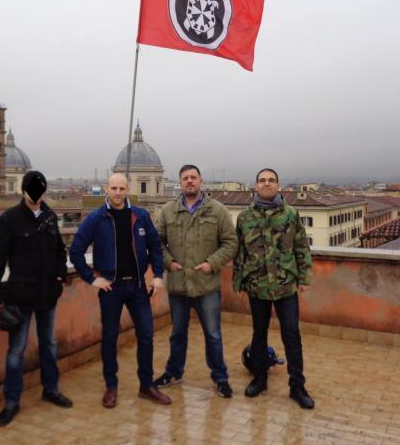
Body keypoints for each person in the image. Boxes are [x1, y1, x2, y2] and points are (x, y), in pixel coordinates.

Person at [69, 173, 171, 408]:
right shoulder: (96, 218)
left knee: (146, 336)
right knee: (109, 338)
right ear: (107, 188)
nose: (117, 192)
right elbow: (76, 251)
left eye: (121, 188)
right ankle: (111, 387)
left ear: (127, 190)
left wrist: (157, 275)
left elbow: (155, 246)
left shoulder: (141, 216)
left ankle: (146, 385)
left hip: (136, 286)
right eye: (113, 188)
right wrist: (91, 279)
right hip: (111, 288)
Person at [0, 171, 73, 426]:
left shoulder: (50, 216)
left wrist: (60, 276)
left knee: (49, 343)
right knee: (16, 350)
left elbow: (59, 250)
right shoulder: (9, 220)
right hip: (20, 296)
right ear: (23, 191)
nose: (36, 197)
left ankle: (51, 389)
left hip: (47, 293)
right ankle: (12, 401)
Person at [233, 168, 315, 409]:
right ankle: (260, 379)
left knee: (291, 335)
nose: (266, 184)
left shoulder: (290, 214)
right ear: (256, 185)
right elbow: (240, 252)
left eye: (271, 180)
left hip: (285, 286)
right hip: (256, 285)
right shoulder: (245, 217)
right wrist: (238, 282)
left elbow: (301, 246)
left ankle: (297, 387)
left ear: (278, 186)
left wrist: (304, 277)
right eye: (262, 180)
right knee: (259, 335)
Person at [153, 165, 238, 398]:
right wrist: (168, 262)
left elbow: (231, 242)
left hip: (206, 285)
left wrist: (212, 263)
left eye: (193, 177)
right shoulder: (168, 211)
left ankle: (220, 379)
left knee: (213, 335)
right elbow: (156, 243)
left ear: (201, 181)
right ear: (179, 182)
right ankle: (174, 372)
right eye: (185, 178)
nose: (189, 181)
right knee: (177, 333)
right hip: (179, 284)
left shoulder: (217, 210)